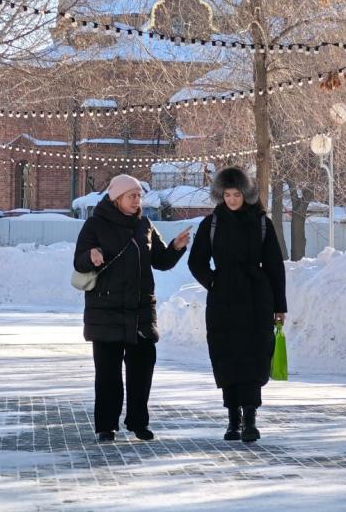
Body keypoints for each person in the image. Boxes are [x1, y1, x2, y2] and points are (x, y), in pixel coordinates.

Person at [74, 174, 191, 443]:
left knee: (142, 371)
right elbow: (79, 262)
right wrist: (90, 257)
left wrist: (175, 247)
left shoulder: (145, 225)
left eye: (139, 196)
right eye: (132, 196)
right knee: (108, 375)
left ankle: (139, 422)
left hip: (140, 311)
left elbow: (160, 261)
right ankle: (106, 425)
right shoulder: (95, 225)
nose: (137, 201)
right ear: (117, 198)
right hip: (106, 310)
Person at [187, 167, 287, 443]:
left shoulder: (261, 223)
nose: (232, 199)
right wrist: (214, 283)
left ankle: (251, 421)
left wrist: (280, 306)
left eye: (237, 194)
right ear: (221, 195)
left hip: (257, 300)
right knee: (226, 357)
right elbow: (196, 262)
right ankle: (233, 420)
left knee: (254, 359)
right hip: (223, 302)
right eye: (227, 194)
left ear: (247, 194)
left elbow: (275, 266)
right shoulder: (211, 224)